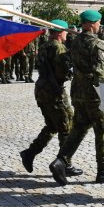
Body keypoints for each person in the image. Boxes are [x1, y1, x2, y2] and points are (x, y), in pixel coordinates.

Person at [49, 9, 104, 185]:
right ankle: (103, 171)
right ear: (92, 24)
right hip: (94, 94)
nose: (100, 25)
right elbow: (100, 74)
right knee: (103, 130)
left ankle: (61, 160)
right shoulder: (96, 44)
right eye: (99, 22)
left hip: (78, 92)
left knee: (78, 129)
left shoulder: (75, 41)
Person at [20, 20, 76, 175]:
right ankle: (65, 164)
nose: (66, 34)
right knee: (67, 126)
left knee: (52, 125)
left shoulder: (45, 46)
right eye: (64, 31)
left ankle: (30, 153)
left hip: (41, 89)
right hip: (54, 91)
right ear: (59, 33)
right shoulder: (59, 48)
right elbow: (62, 72)